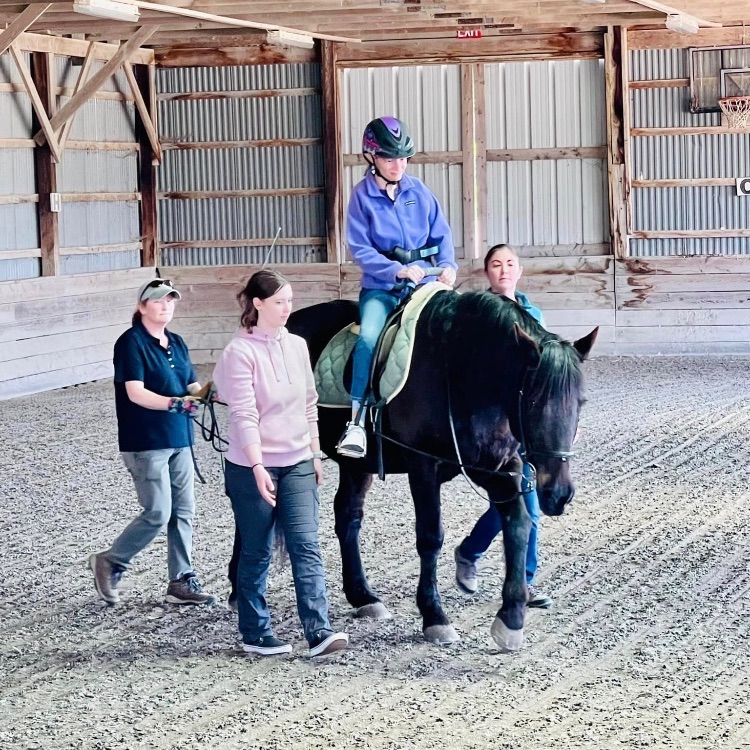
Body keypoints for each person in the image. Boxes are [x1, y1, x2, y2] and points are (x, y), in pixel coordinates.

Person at [212, 269, 349, 658]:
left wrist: (316, 452)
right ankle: (255, 632)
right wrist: (256, 466)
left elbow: (309, 402)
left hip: (298, 461)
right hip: (250, 466)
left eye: (290, 301)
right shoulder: (239, 352)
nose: (288, 308)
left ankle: (319, 630)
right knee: (257, 549)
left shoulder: (297, 346)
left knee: (307, 545)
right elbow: (243, 414)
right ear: (257, 305)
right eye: (279, 302)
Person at [89, 277, 217, 607]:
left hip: (180, 437)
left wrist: (204, 393)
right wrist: (176, 404)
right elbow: (136, 392)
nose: (165, 305)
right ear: (142, 306)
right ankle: (112, 560)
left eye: (170, 301)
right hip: (146, 439)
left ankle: (181, 579)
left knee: (184, 510)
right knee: (158, 512)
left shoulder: (177, 342)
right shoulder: (131, 343)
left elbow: (190, 384)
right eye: (158, 300)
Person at [336, 116, 458, 458]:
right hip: (381, 288)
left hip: (426, 283)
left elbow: (442, 234)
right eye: (390, 158)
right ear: (371, 157)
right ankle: (357, 422)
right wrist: (396, 271)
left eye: (403, 158)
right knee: (369, 338)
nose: (398, 165)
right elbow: (360, 249)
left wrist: (447, 266)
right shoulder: (361, 198)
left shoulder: (419, 191)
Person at [454, 244, 553, 609]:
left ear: (520, 270)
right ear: (487, 273)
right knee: (518, 503)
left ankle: (476, 556)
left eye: (510, 263)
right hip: (495, 428)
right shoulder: (479, 315)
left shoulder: (533, 314)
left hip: (527, 425)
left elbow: (547, 376)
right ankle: (479, 558)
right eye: (496, 264)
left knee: (521, 505)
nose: (504, 269)